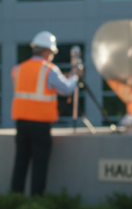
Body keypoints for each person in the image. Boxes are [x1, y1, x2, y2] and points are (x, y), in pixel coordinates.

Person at [9, 31, 80, 196]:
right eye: (52, 53)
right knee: (39, 166)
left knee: (20, 163)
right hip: (40, 125)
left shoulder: (18, 69)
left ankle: (14, 200)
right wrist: (74, 77)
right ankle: (36, 202)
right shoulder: (49, 70)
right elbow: (67, 89)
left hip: (21, 123)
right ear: (47, 51)